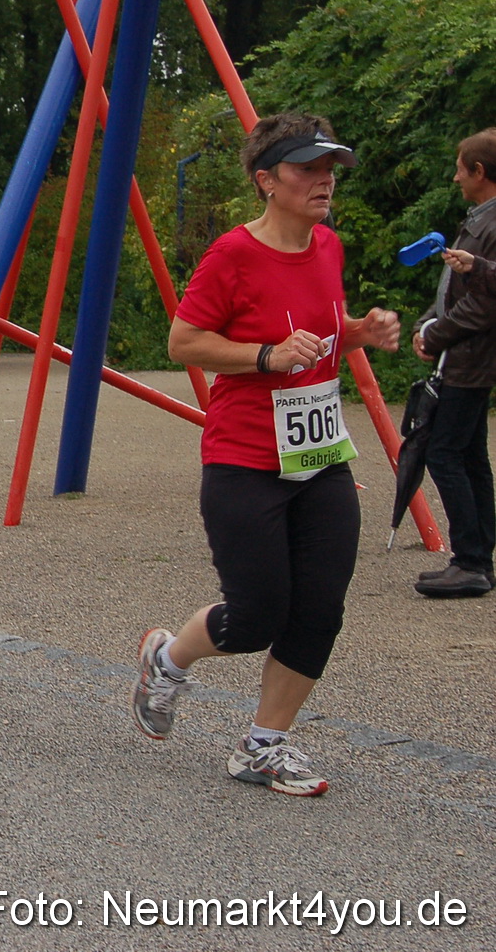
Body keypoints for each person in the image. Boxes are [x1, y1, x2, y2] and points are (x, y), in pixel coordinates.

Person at [131, 113, 400, 797]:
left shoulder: (329, 247)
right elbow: (184, 341)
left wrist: (359, 331)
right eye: (307, 168)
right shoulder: (232, 256)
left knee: (320, 609)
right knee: (256, 615)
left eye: (330, 168)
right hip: (245, 458)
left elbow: (320, 330)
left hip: (319, 458)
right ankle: (167, 656)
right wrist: (263, 357)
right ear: (266, 180)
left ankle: (264, 743)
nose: (323, 180)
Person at [410, 129, 496, 599]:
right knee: (469, 455)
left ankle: (470, 561)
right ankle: (480, 555)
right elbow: (456, 292)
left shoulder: (491, 223)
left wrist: (435, 333)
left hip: (471, 359)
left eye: (461, 167)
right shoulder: (479, 219)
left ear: (480, 173)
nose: (456, 176)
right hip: (464, 356)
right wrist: (429, 323)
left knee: (443, 453)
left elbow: (484, 305)